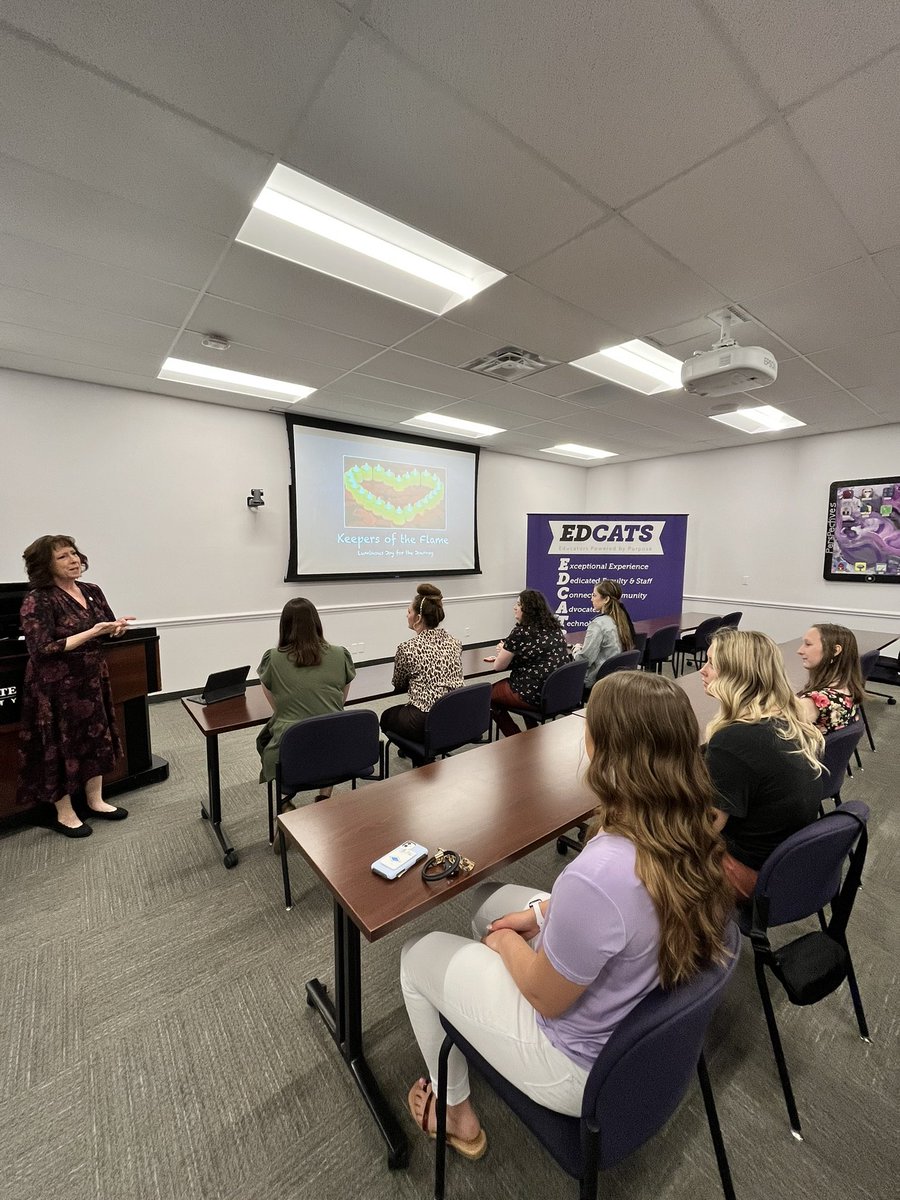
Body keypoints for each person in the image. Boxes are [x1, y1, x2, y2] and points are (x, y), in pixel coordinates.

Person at [400, 671, 733, 1156]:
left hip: (573, 1061)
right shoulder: (687, 826)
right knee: (486, 898)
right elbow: (616, 911)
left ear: (603, 748)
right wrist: (537, 917)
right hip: (629, 1008)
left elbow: (544, 996)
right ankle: (477, 1018)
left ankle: (456, 1115)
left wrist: (505, 943)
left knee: (417, 952)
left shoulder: (599, 873)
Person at [17, 535, 134, 837]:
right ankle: (64, 812)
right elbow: (41, 649)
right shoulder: (38, 599)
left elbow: (105, 628)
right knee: (58, 744)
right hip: (54, 687)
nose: (74, 560)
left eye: (74, 553)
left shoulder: (91, 590)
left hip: (91, 679)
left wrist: (115, 629)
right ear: (45, 565)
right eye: (63, 557)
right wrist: (91, 632)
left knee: (95, 738)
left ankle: (95, 801)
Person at [700, 628, 823, 901]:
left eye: (712, 664)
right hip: (779, 864)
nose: (703, 670)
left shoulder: (735, 740)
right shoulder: (787, 722)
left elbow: (707, 829)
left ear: (738, 675)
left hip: (745, 871)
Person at [256, 598, 355, 799]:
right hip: (335, 743)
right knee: (328, 723)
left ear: (284, 626)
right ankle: (324, 797)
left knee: (267, 739)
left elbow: (278, 707)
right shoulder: (340, 654)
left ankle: (284, 805)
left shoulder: (272, 659)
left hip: (291, 745)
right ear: (316, 623)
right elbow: (340, 702)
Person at [379, 584, 464, 753]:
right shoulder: (455, 642)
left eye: (409, 612)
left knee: (386, 717)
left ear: (418, 618)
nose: (406, 614)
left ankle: (421, 758)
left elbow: (398, 683)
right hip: (456, 714)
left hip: (426, 718)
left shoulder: (407, 648)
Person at [488, 589, 570, 737]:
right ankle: (531, 735)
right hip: (554, 692)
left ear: (528, 610)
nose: (514, 607)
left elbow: (498, 666)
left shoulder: (520, 632)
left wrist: (503, 650)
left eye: (519, 604)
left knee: (487, 696)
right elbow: (533, 656)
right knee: (525, 683)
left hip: (533, 693)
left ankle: (516, 738)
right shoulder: (555, 628)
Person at [796, 623, 865, 732]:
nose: (799, 650)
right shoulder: (849, 686)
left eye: (808, 644)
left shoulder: (813, 702)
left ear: (834, 651)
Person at [572, 579, 635, 689]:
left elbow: (585, 659)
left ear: (606, 599)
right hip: (617, 679)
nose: (591, 599)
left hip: (597, 681)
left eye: (594, 595)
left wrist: (576, 651)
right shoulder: (622, 620)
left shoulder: (598, 624)